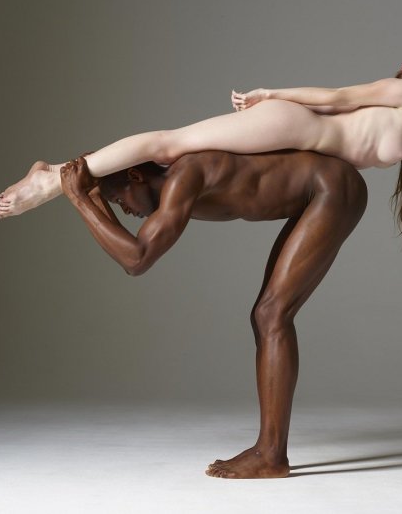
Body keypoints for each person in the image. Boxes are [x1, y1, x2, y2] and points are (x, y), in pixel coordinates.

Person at [0, 37, 402, 254]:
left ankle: (56, 176)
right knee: (169, 146)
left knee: (172, 147)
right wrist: (272, 94)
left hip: (300, 137)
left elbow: (346, 114)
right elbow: (338, 97)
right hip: (292, 125)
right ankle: (53, 176)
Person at [59, 149, 368, 478]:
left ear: (135, 175)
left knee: (271, 315)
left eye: (120, 200)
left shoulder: (184, 177)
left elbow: (136, 259)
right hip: (316, 194)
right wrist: (93, 194)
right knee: (266, 317)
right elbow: (131, 252)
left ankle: (271, 455)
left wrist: (79, 199)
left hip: (331, 188)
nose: (125, 210)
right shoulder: (175, 186)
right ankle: (270, 451)